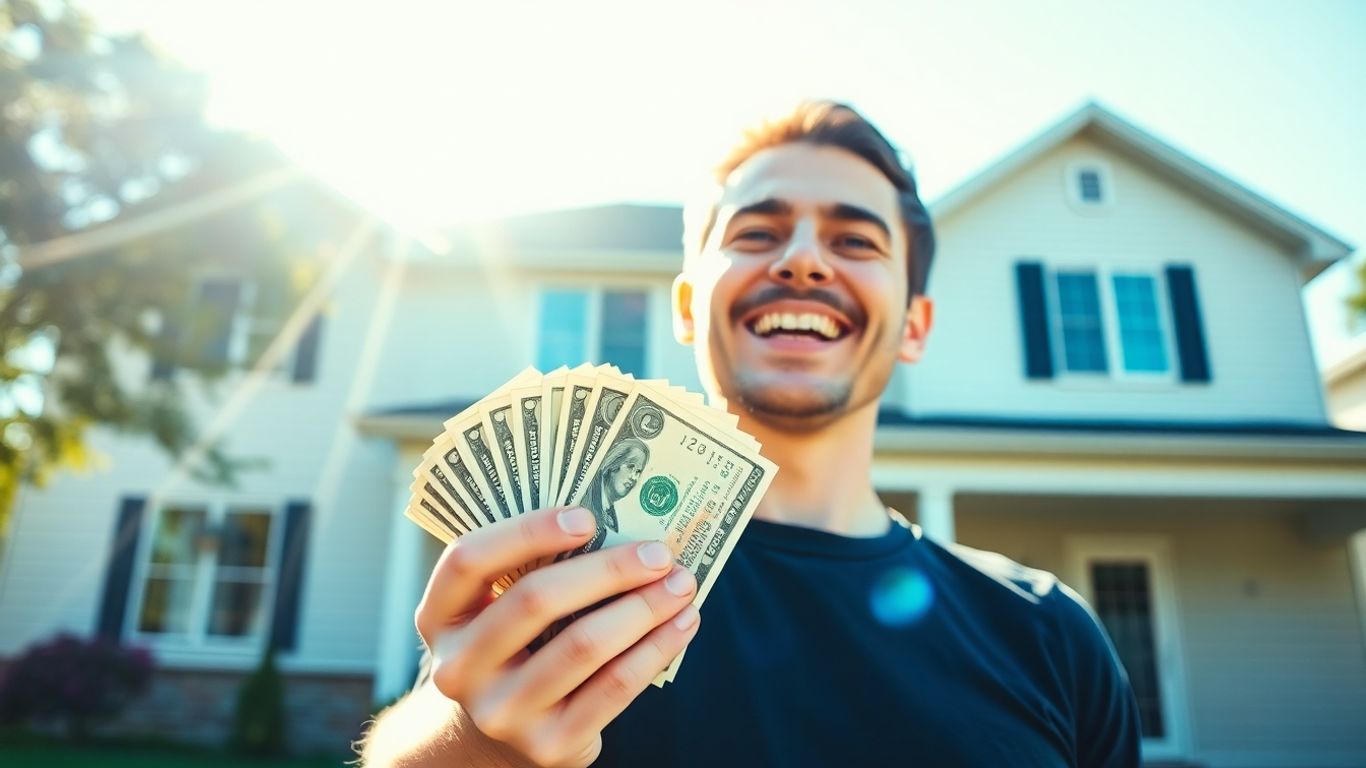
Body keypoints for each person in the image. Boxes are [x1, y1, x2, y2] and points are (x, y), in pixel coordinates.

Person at [360, 101, 1142, 767]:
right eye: (758, 234)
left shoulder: (1051, 635)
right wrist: (471, 735)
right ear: (688, 305)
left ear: (914, 324)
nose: (803, 260)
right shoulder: (564, 579)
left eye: (855, 241)